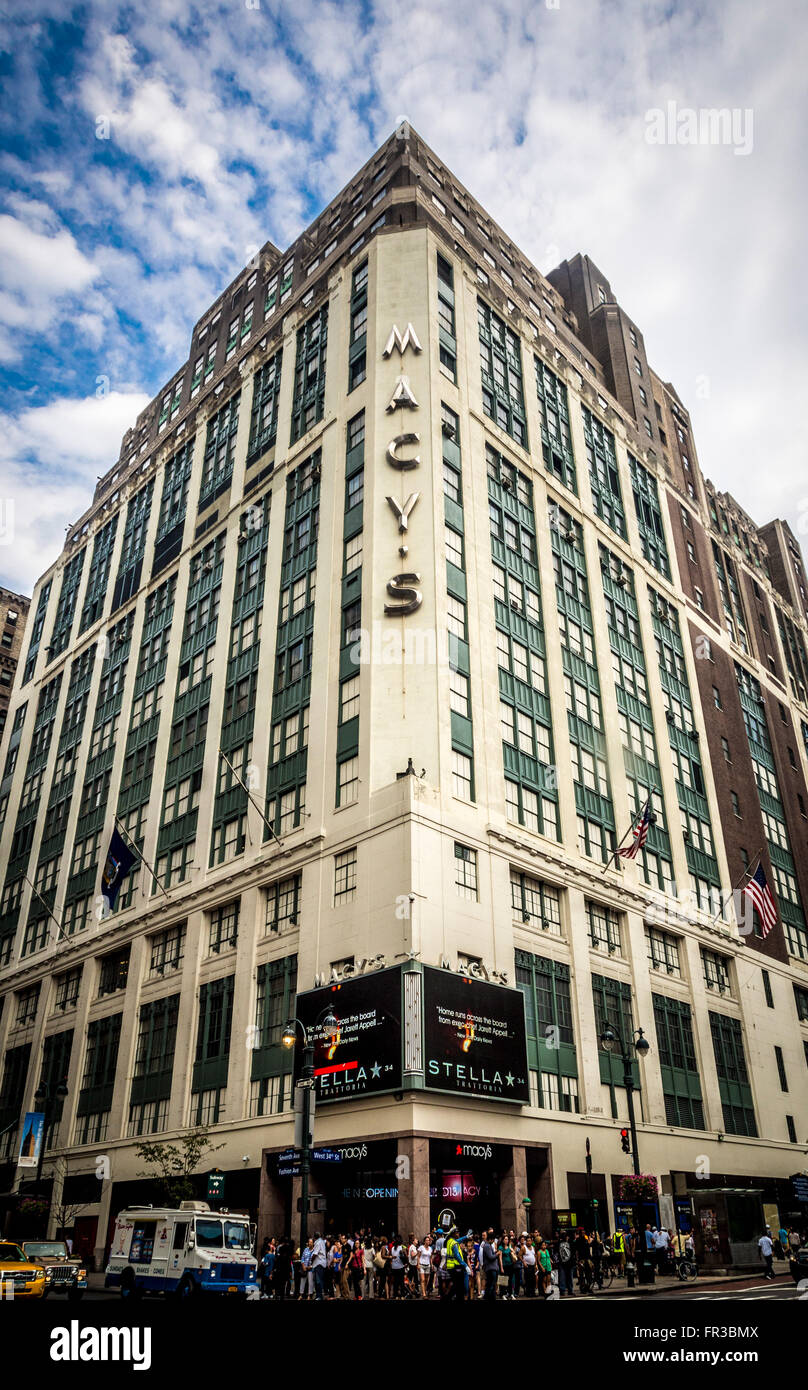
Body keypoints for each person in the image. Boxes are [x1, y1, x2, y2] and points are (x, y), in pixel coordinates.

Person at [445, 1226, 467, 1300]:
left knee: (455, 1285)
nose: (458, 1234)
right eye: (457, 1233)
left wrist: (466, 1237)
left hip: (450, 1267)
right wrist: (465, 1265)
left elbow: (458, 1240)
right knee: (458, 1286)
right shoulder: (454, 1243)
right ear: (453, 1234)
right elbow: (457, 1256)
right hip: (456, 1267)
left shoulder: (450, 1241)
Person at [480, 1228, 500, 1300]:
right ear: (491, 1239)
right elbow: (491, 1257)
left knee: (491, 1284)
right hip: (491, 1268)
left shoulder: (488, 1245)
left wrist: (495, 1253)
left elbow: (491, 1254)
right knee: (491, 1284)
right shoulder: (487, 1246)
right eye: (493, 1239)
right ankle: (488, 1297)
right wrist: (497, 1254)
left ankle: (490, 1297)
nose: (494, 1241)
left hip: (492, 1268)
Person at [310, 1231, 327, 1301]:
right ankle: (318, 1296)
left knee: (318, 1281)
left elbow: (315, 1254)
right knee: (318, 1281)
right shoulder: (322, 1241)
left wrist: (311, 1260)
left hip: (318, 1264)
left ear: (315, 1237)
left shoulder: (318, 1242)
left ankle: (319, 1296)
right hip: (320, 1263)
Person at [558, 1231, 575, 1297]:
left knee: (569, 1277)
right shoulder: (559, 1243)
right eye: (564, 1236)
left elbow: (573, 1252)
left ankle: (570, 1290)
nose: (566, 1237)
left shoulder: (570, 1243)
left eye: (566, 1236)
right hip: (562, 1263)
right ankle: (563, 1291)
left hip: (569, 1263)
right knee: (562, 1278)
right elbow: (557, 1252)